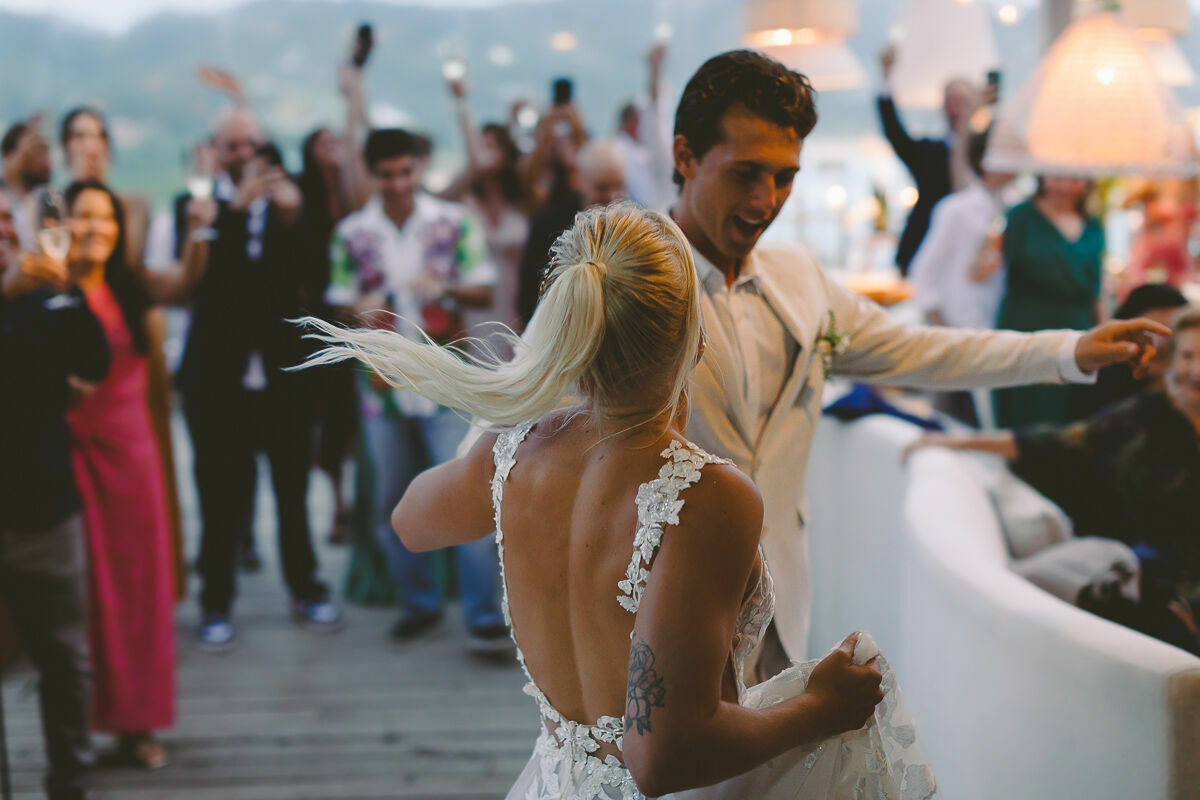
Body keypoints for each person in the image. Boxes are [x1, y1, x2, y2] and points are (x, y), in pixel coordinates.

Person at [300, 203, 938, 799]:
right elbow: (662, 758)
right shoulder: (708, 495)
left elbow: (408, 522)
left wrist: (511, 423)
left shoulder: (511, 454)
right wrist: (819, 709)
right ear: (695, 337)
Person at [663, 49, 1168, 667]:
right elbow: (537, 432)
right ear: (684, 156)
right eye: (746, 173)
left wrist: (1068, 350)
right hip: (657, 603)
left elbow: (923, 351)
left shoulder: (798, 277)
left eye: (785, 176)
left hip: (780, 603)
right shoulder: (626, 282)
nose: (767, 201)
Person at [907, 307, 1200, 654]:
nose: (1195, 369)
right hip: (1156, 591)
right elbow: (1052, 442)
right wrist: (958, 441)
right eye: (1187, 355)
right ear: (1170, 362)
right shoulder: (1141, 418)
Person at [326, 128, 506, 652]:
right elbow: (338, 301)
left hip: (448, 382)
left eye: (406, 172)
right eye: (387, 175)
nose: (399, 184)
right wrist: (355, 308)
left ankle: (482, 614)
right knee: (391, 497)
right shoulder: (352, 233)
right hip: (381, 389)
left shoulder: (452, 222)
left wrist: (444, 286)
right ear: (372, 175)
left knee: (469, 492)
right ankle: (419, 601)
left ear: (419, 168)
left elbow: (485, 286)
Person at [182, 107, 341, 651]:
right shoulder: (195, 205)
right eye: (232, 146)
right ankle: (215, 601)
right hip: (219, 378)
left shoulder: (290, 203)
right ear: (215, 151)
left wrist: (295, 221)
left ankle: (306, 587)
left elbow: (314, 279)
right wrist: (230, 212)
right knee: (220, 496)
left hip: (282, 375)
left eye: (253, 144)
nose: (245, 155)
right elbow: (206, 287)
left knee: (292, 491)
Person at [61, 181, 176, 770]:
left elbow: (186, 282)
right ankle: (76, 728)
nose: (95, 229)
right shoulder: (41, 288)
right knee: (77, 599)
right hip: (66, 455)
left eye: (105, 219)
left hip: (131, 458)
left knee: (136, 592)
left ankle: (138, 725)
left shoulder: (132, 289)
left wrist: (203, 225)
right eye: (83, 217)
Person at [0, 190, 106, 800]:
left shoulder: (46, 296)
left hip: (44, 510)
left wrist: (66, 285)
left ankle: (70, 782)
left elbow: (93, 358)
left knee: (65, 663)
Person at [60, 105, 190, 599]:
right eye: (77, 136)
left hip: (127, 367)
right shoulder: (49, 209)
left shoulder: (131, 204)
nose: (88, 145)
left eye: (96, 136)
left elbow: (142, 276)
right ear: (64, 145)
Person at [908, 129, 1012, 425]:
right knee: (956, 423)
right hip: (958, 329)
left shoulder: (1016, 209)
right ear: (985, 160)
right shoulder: (956, 210)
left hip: (998, 331)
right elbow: (924, 271)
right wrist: (942, 326)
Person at [993, 176, 1104, 428]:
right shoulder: (1020, 216)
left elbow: (1096, 289)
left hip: (1076, 330)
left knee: (1070, 416)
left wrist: (1104, 331)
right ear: (1043, 178)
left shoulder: (1093, 223)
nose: (1065, 186)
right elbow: (988, 267)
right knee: (1027, 413)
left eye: (1074, 179)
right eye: (1057, 177)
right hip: (1028, 327)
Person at [297, 126, 361, 544]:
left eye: (339, 141)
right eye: (324, 142)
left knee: (352, 417)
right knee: (329, 419)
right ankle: (337, 502)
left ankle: (353, 501)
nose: (333, 148)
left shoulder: (354, 192)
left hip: (359, 320)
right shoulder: (302, 197)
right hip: (318, 319)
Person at [441, 76, 530, 349]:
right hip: (472, 305)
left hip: (513, 299)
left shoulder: (521, 199)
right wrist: (461, 103)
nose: (485, 153)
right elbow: (438, 201)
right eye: (481, 145)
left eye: (491, 145)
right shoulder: (464, 198)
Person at [877, 46, 980, 274]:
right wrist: (886, 79)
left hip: (966, 259)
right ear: (943, 107)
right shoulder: (927, 152)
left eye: (963, 101)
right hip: (921, 251)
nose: (957, 110)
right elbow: (895, 133)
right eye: (951, 102)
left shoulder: (984, 154)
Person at [516, 139, 627, 326]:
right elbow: (529, 295)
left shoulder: (631, 226)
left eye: (619, 187)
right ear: (581, 182)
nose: (613, 196)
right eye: (602, 187)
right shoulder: (547, 226)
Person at [1070, 283, 1189, 419]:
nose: (1160, 345)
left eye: (1170, 332)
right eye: (1149, 331)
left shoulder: (1189, 394)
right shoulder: (1094, 384)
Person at [1, 119, 53, 249]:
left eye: (43, 152)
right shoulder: (5, 199)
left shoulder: (50, 202)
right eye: (32, 150)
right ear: (8, 157)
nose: (40, 159)